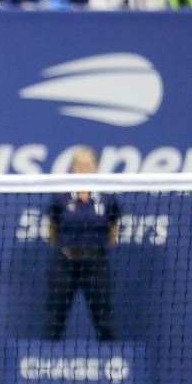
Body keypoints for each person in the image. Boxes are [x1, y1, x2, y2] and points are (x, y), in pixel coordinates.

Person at [42, 147, 119, 342]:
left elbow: (113, 227)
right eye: (80, 165)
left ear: (96, 167)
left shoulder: (107, 197)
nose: (84, 169)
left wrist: (93, 249)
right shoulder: (61, 196)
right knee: (55, 317)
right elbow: (53, 226)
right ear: (73, 168)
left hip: (96, 264)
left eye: (89, 164)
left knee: (104, 318)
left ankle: (111, 364)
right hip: (65, 263)